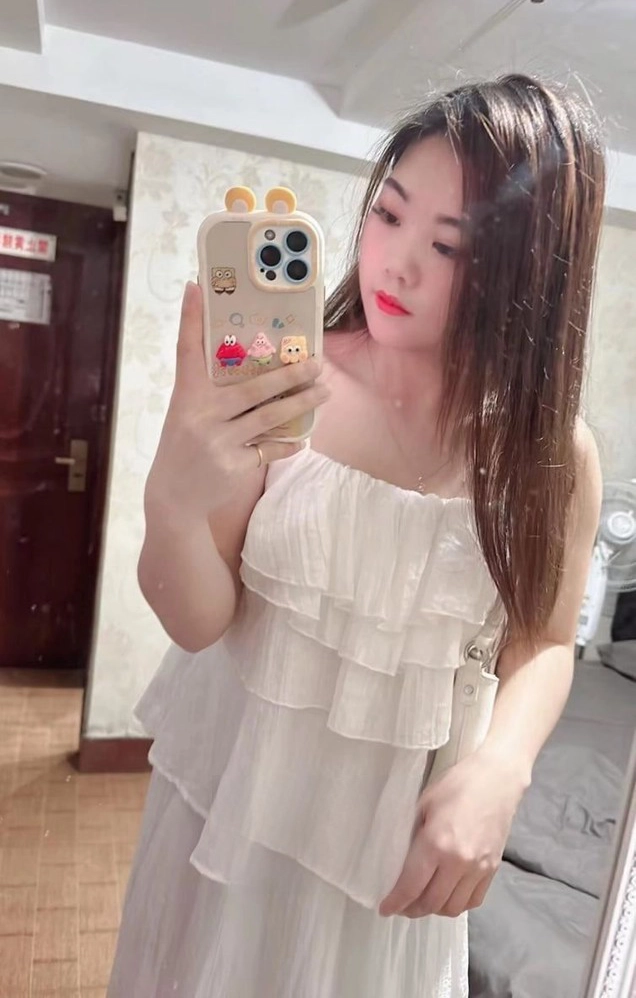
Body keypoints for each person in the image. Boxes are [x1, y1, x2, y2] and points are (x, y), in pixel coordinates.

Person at [107, 74, 605, 997]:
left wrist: (503, 768)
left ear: (530, 274)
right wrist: (172, 497)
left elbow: (542, 639)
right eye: (388, 213)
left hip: (384, 855)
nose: (395, 264)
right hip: (227, 812)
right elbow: (197, 622)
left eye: (449, 245)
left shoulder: (550, 456)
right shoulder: (288, 385)